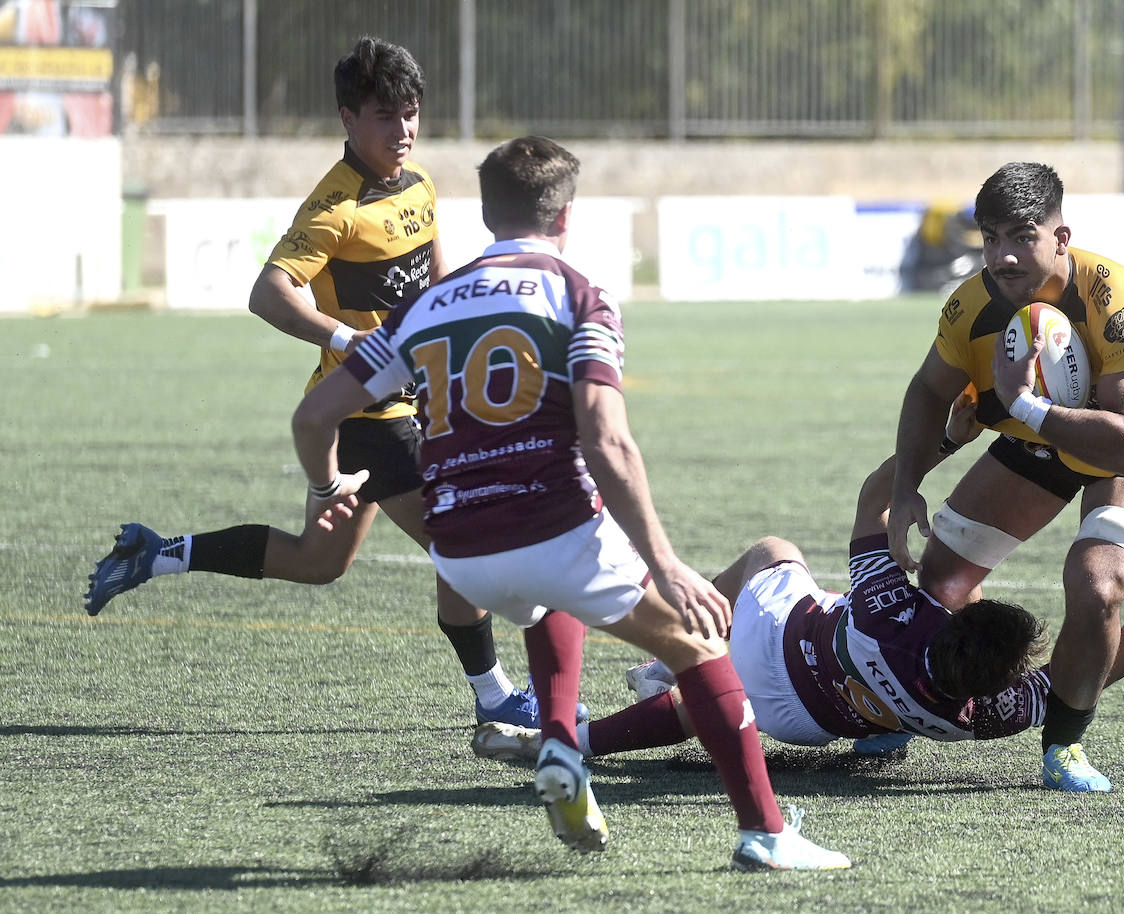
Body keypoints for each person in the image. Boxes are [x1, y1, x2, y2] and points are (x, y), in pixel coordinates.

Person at [291, 135, 850, 870]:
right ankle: (767, 835)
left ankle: (558, 739)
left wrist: (329, 488)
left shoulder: (424, 306)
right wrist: (667, 563)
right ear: (566, 216)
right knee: (699, 647)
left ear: (486, 214)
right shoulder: (579, 293)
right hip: (551, 528)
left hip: (457, 557)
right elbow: (607, 440)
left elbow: (313, 416)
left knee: (544, 596)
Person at [82, 37, 555, 730]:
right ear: (347, 118)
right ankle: (496, 701)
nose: (403, 131)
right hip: (369, 413)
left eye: (411, 114)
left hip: (411, 403)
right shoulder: (334, 207)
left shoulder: (420, 184)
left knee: (318, 560)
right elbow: (267, 293)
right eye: (385, 117)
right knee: (462, 545)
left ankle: (158, 553)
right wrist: (342, 337)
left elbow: (433, 283)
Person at [469, 456, 1124, 767]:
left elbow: (871, 499)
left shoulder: (896, 608)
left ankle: (675, 654)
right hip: (801, 727)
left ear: (955, 619)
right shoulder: (986, 715)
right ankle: (582, 743)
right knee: (715, 714)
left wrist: (931, 449)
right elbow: (1094, 670)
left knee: (773, 549)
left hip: (783, 635)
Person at [887, 161, 1124, 792]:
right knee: (943, 579)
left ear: (1061, 238)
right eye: (992, 238)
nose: (1004, 256)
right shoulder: (972, 304)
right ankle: (953, 703)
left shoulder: (1117, 299)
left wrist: (1028, 407)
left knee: (1096, 581)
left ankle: (1063, 742)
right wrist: (903, 493)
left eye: (1022, 237)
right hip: (1038, 439)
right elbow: (927, 392)